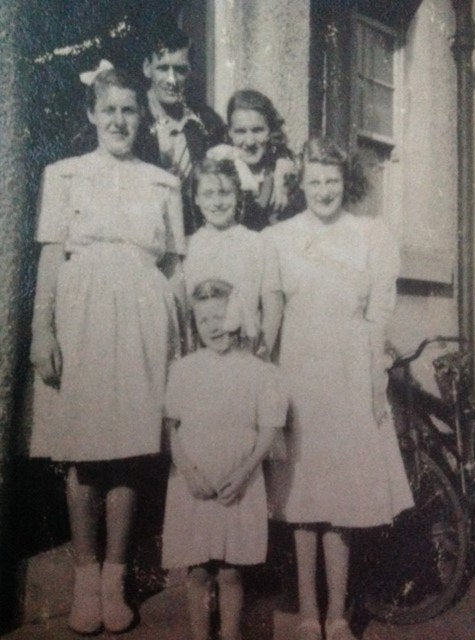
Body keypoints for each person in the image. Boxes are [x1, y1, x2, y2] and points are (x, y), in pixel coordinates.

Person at [29, 63, 185, 635]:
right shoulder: (64, 175)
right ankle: (85, 578)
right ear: (92, 114)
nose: (119, 120)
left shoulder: (162, 182)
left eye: (128, 110)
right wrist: (42, 330)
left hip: (146, 319)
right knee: (82, 451)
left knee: (129, 450)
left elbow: (175, 268)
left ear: (140, 118)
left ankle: (116, 577)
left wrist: (181, 344)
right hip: (82, 315)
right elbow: (49, 256)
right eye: (109, 109)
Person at [265, 136, 414, 640]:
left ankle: (338, 615)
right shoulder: (279, 237)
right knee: (303, 497)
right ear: (300, 183)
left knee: (342, 502)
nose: (323, 190)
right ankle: (309, 613)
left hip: (349, 372)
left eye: (332, 180)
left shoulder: (371, 235)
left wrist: (374, 380)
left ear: (343, 182)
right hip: (299, 372)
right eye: (314, 180)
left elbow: (378, 314)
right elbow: (272, 316)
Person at [161, 279, 287, 640]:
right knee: (199, 571)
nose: (214, 326)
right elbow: (172, 429)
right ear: (194, 325)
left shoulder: (259, 371)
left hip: (240, 484)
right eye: (204, 320)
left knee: (232, 571)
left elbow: (268, 432)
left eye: (221, 316)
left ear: (238, 316)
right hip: (193, 484)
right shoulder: (184, 369)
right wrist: (188, 471)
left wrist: (245, 473)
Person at [183, 157, 282, 356]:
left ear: (237, 194)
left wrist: (263, 357)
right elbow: (186, 313)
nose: (217, 203)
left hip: (247, 355)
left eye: (224, 193)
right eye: (208, 194)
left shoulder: (258, 243)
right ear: (196, 198)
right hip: (203, 357)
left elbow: (273, 307)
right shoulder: (188, 247)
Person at [141, 27, 226, 235]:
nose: (172, 80)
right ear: (147, 68)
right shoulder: (131, 118)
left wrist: (280, 160)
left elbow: (237, 154)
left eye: (180, 70)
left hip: (193, 236)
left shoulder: (205, 121)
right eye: (163, 68)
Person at [208, 89, 303, 231]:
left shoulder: (282, 173)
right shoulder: (220, 169)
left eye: (258, 130)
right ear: (230, 133)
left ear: (270, 131)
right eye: (240, 131)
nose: (250, 141)